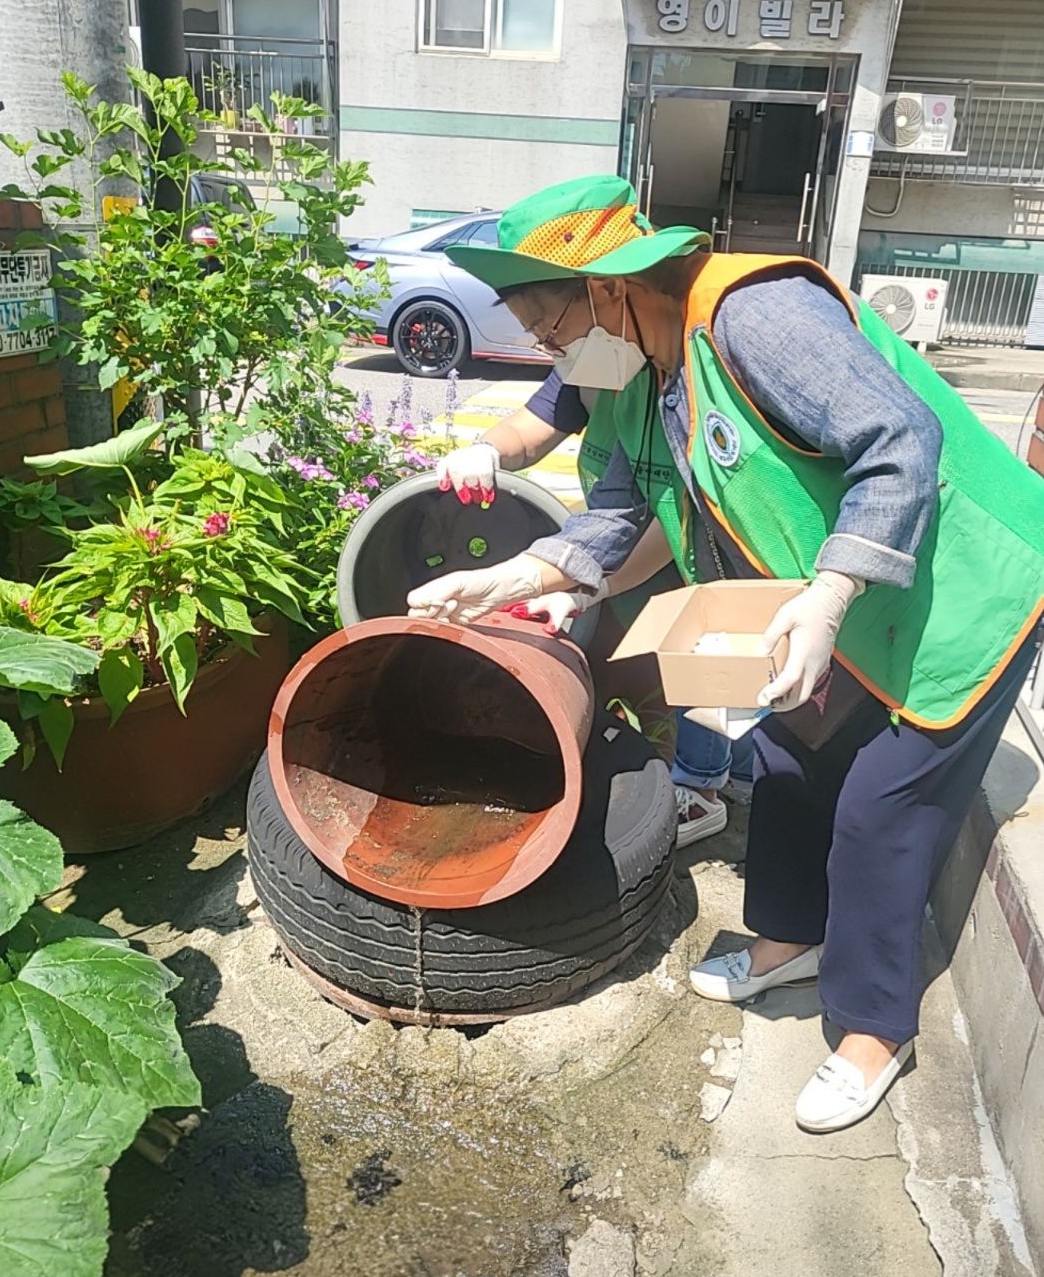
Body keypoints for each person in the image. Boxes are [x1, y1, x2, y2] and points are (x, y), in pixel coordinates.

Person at [407, 175, 1044, 1133]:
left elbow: (897, 438)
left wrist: (830, 594)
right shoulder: (640, 369)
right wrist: (512, 580)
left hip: (961, 593)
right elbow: (622, 515)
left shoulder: (754, 315)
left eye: (552, 328)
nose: (551, 357)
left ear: (612, 288)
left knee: (881, 807)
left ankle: (874, 1027)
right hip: (850, 608)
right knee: (786, 757)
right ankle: (792, 938)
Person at [435, 365, 746, 847]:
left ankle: (702, 789)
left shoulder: (667, 382)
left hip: (684, 562)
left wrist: (585, 588)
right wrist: (487, 450)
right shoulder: (587, 367)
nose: (544, 340)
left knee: (699, 667)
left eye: (552, 321)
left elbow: (670, 525)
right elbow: (528, 431)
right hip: (611, 553)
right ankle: (732, 764)